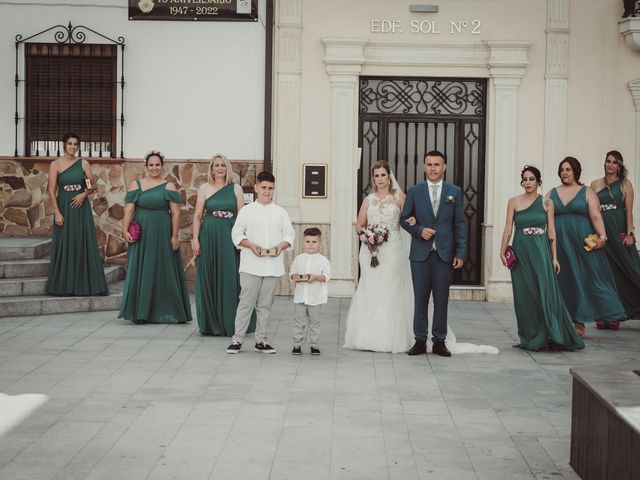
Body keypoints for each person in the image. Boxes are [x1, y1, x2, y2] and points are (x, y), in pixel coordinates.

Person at [345, 160, 497, 355]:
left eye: (383, 175)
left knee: (394, 291)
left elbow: (409, 219)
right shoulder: (368, 200)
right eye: (376, 175)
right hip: (371, 251)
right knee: (371, 289)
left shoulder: (401, 197)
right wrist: (367, 236)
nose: (380, 179)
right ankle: (368, 336)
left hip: (393, 250)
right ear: (373, 178)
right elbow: (359, 224)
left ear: (389, 176)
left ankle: (399, 337)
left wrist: (415, 224)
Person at [499, 165, 584, 351]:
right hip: (521, 251)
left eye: (531, 179)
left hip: (541, 251)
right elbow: (508, 228)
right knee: (525, 294)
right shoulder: (513, 201)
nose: (528, 182)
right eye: (525, 179)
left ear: (538, 181)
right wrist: (502, 249)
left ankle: (550, 333)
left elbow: (551, 231)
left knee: (544, 291)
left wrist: (554, 258)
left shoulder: (547, 203)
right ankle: (530, 336)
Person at [548, 156, 626, 336]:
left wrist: (603, 237)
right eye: (562, 170)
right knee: (563, 280)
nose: (564, 173)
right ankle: (566, 320)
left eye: (568, 169)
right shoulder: (552, 193)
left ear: (575, 171)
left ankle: (580, 320)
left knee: (583, 279)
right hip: (558, 243)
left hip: (581, 243)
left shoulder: (587, 192)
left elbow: (596, 216)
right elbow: (542, 212)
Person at [400, 151, 466, 357]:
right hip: (420, 254)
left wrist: (461, 252)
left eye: (437, 164)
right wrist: (419, 230)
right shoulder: (414, 191)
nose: (433, 168)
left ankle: (439, 341)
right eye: (429, 164)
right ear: (423, 167)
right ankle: (419, 340)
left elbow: (460, 224)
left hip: (445, 255)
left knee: (441, 299)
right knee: (420, 299)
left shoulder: (454, 191)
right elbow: (404, 219)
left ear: (444, 166)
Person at [119, 150, 192, 324]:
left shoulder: (169, 186)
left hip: (162, 231)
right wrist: (124, 229)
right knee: (141, 268)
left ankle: (169, 310)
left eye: (157, 164)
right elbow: (129, 209)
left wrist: (175, 236)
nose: (154, 168)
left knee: (163, 268)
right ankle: (140, 312)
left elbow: (175, 213)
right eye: (151, 165)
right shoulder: (135, 185)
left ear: (162, 166)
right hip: (142, 232)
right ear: (146, 166)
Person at [226, 171, 295, 354]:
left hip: (272, 266)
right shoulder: (246, 211)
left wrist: (281, 246)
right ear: (256, 188)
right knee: (246, 303)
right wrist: (250, 245)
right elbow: (236, 234)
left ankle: (261, 341)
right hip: (250, 265)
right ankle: (237, 340)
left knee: (265, 305)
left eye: (270, 188)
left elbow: (289, 235)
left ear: (274, 190)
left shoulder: (281, 212)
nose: (267, 191)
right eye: (263, 187)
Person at [192, 154, 255, 335]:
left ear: (227, 168)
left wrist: (243, 241)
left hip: (230, 235)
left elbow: (242, 217)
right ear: (211, 168)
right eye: (216, 165)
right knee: (208, 276)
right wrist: (195, 239)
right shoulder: (204, 188)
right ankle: (211, 324)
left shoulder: (236, 188)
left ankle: (233, 322)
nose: (219, 168)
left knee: (231, 276)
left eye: (222, 165)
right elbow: (197, 216)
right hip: (209, 235)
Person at [46, 132, 109, 296]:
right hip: (64, 207)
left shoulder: (83, 164)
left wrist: (83, 195)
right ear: (64, 145)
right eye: (70, 144)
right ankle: (64, 286)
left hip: (80, 208)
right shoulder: (56, 165)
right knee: (65, 243)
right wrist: (57, 213)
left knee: (82, 242)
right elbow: (51, 191)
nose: (73, 147)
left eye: (75, 144)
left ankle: (86, 284)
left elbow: (91, 186)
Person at [590, 150, 640, 321]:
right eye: (608, 161)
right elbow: (590, 211)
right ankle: (609, 315)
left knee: (632, 270)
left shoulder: (626, 184)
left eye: (614, 162)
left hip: (619, 234)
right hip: (602, 234)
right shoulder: (595, 185)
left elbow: (628, 212)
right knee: (606, 275)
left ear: (619, 166)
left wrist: (629, 234)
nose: (610, 164)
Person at [290, 227, 331, 355]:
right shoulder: (298, 259)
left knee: (315, 322)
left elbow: (327, 277)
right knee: (299, 322)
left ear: (320, 243)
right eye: (308, 241)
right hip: (300, 297)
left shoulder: (323, 260)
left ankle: (314, 344)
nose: (311, 245)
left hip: (315, 298)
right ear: (303, 242)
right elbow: (292, 275)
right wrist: (296, 277)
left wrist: (315, 277)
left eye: (314, 242)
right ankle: (297, 344)